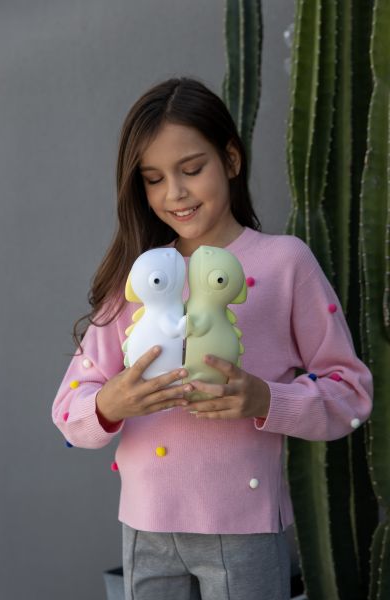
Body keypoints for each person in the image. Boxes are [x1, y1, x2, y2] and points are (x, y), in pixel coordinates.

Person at [52, 77, 373, 600]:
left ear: (231, 159)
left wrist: (267, 399)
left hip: (246, 527)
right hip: (145, 527)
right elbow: (69, 410)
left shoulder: (286, 263)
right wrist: (110, 404)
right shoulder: (140, 276)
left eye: (192, 169)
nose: (174, 193)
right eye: (153, 179)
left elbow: (351, 393)